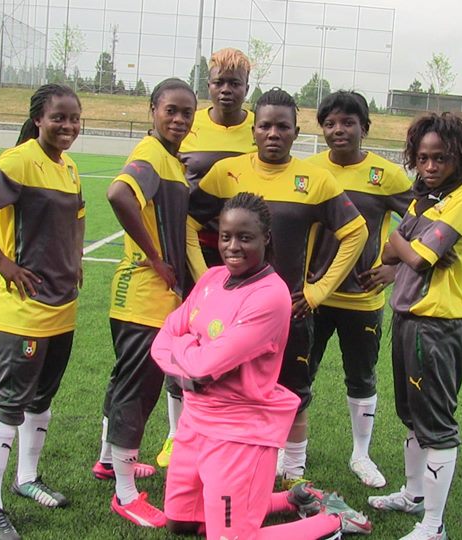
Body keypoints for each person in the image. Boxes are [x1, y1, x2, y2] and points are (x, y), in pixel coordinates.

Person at [152, 192, 372, 539]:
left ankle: (333, 520)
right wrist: (188, 355)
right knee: (179, 523)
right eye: (226, 236)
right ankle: (292, 498)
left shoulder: (270, 295)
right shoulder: (211, 279)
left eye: (245, 237)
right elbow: (163, 337)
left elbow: (203, 367)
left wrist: (184, 350)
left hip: (237, 431)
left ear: (265, 238)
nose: (232, 247)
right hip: (194, 421)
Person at [188, 88, 369, 489]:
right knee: (232, 390)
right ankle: (239, 463)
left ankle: (294, 471)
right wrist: (206, 282)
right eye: (266, 126)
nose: (274, 134)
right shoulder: (226, 173)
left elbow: (355, 232)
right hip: (233, 317)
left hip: (289, 313)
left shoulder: (315, 180)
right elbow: (189, 223)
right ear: (254, 130)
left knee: (293, 394)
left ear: (296, 132)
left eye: (283, 127)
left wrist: (318, 291)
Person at [0, 83, 85, 540]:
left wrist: (76, 257)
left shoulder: (68, 167)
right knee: (9, 401)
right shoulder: (19, 160)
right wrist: (2, 261)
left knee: (42, 398)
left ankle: (27, 478)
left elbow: (78, 214)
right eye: (58, 117)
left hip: (62, 306)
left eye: (74, 118)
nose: (67, 126)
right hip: (22, 310)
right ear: (38, 119)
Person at [368, 113, 462, 540]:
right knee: (412, 415)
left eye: (440, 158)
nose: (430, 166)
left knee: (436, 423)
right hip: (408, 317)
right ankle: (414, 495)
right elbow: (392, 252)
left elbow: (414, 258)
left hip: (436, 323)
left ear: (460, 157)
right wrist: (407, 245)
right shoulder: (425, 198)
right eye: (422, 158)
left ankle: (433, 526)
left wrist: (404, 243)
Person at [90, 78, 197, 528]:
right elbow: (118, 194)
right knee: (138, 390)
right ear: (152, 110)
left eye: (186, 113)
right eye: (170, 110)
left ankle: (108, 461)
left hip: (144, 296)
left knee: (124, 383)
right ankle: (125, 493)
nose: (179, 119)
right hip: (144, 295)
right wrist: (155, 257)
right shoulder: (151, 154)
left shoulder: (169, 160)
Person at [305, 91, 414, 489]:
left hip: (363, 298)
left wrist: (394, 267)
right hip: (313, 296)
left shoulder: (387, 176)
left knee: (362, 378)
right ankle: (291, 451)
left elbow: (420, 221)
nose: (339, 130)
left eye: (348, 122)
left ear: (364, 128)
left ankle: (361, 454)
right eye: (330, 123)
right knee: (300, 374)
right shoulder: (309, 170)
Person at [158, 47, 258, 469]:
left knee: (237, 343)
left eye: (235, 83)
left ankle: (228, 430)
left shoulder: (259, 126)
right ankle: (175, 434)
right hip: (192, 247)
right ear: (209, 84)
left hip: (245, 255)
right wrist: (199, 273)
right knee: (188, 337)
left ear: (247, 87)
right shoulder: (189, 124)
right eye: (218, 82)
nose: (226, 90)